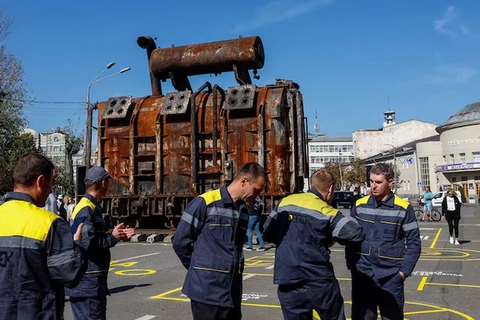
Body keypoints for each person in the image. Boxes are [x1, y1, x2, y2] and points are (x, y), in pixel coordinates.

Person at [263, 169, 365, 320]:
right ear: (330, 189)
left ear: (312, 185)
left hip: (288, 279)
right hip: (319, 280)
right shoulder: (327, 211)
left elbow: (267, 232)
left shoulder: (285, 202)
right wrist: (331, 237)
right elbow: (356, 233)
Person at [173, 163, 267, 320]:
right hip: (206, 293)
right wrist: (200, 269)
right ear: (244, 181)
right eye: (256, 190)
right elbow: (180, 242)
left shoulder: (243, 210)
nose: (257, 196)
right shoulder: (205, 202)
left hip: (231, 293)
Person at [0, 153, 87, 320]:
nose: (50, 191)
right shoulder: (51, 223)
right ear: (40, 181)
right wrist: (77, 244)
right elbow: (70, 273)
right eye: (51, 184)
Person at [346, 163, 421, 320]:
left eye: (378, 182)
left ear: (390, 181)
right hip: (363, 275)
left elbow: (414, 243)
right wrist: (352, 265)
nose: (373, 186)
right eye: (371, 181)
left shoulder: (403, 208)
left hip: (391, 277)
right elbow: (350, 238)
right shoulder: (359, 205)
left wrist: (403, 273)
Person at [65, 165, 135, 320]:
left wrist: (114, 235)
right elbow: (88, 244)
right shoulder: (87, 209)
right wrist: (113, 238)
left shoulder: (86, 206)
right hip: (88, 282)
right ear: (103, 184)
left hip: (86, 281)